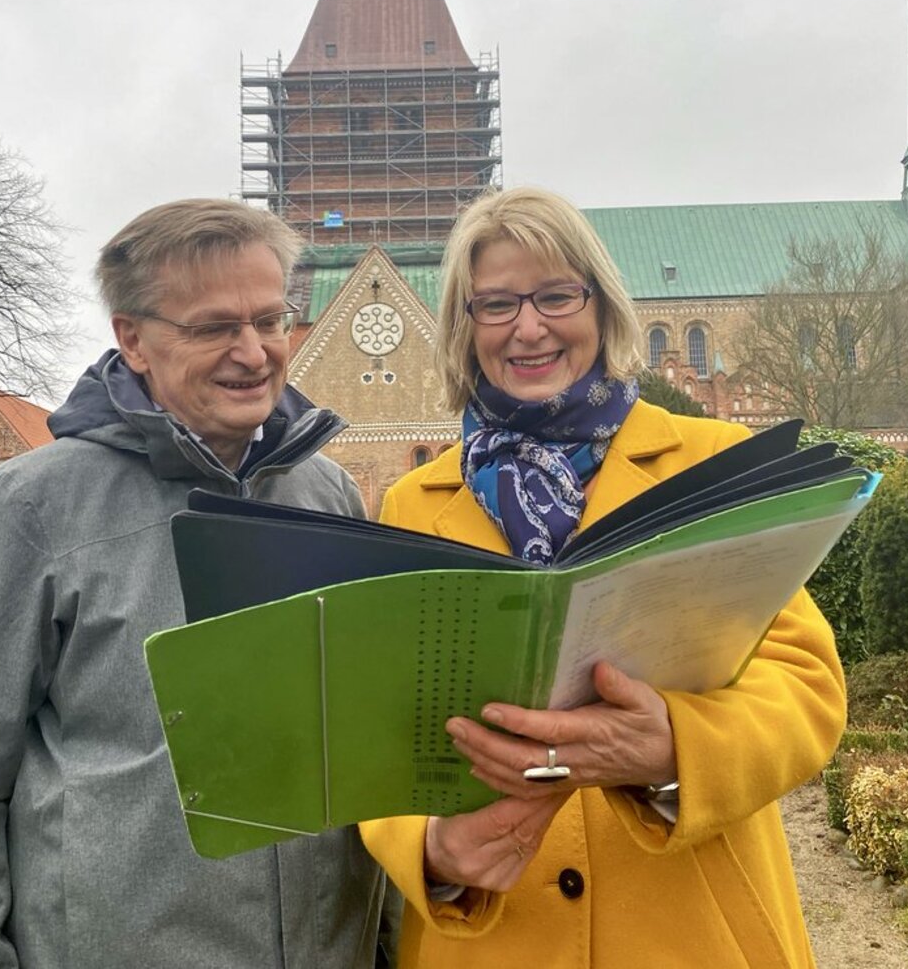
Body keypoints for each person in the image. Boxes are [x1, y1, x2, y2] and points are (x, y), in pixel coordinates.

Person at [0, 199, 385, 968]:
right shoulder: (32, 507)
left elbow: (359, 757)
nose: (254, 352)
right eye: (215, 327)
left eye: (270, 320)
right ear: (133, 339)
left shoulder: (329, 493)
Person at [360, 188, 846, 967]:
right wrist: (434, 851)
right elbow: (370, 731)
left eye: (556, 295)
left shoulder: (711, 461)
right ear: (464, 327)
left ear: (601, 308)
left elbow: (804, 684)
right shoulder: (412, 505)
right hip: (491, 942)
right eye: (496, 305)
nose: (529, 326)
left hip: (694, 932)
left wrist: (676, 751)